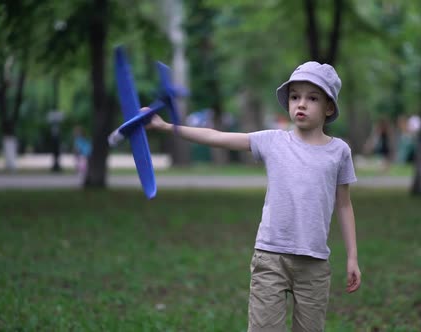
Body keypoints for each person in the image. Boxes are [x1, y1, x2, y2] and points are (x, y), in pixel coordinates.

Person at [144, 61, 361, 331]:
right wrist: (166, 127)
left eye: (312, 98)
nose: (301, 104)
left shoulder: (339, 152)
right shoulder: (273, 141)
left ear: (329, 107)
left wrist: (352, 256)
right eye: (295, 97)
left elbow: (344, 205)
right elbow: (217, 136)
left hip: (314, 262)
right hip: (270, 257)